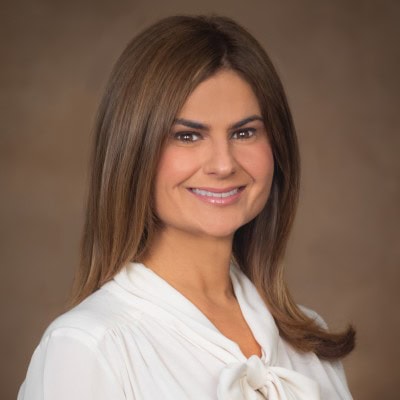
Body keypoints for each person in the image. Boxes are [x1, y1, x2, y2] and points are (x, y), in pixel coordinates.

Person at [18, 14, 355, 400]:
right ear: (133, 151)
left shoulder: (309, 339)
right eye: (187, 136)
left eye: (244, 132)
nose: (223, 164)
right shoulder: (87, 347)